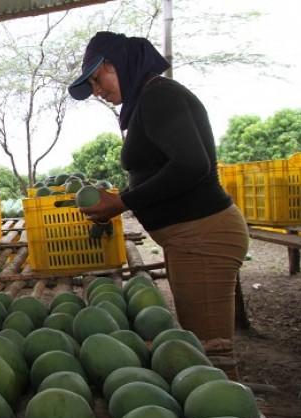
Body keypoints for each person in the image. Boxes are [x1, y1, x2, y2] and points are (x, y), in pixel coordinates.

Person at [68, 31, 249, 342]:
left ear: (116, 65)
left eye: (97, 80)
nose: (97, 91)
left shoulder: (159, 96)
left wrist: (121, 201)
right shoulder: (148, 99)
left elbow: (192, 165)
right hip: (190, 238)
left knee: (210, 351)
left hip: (202, 236)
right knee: (201, 345)